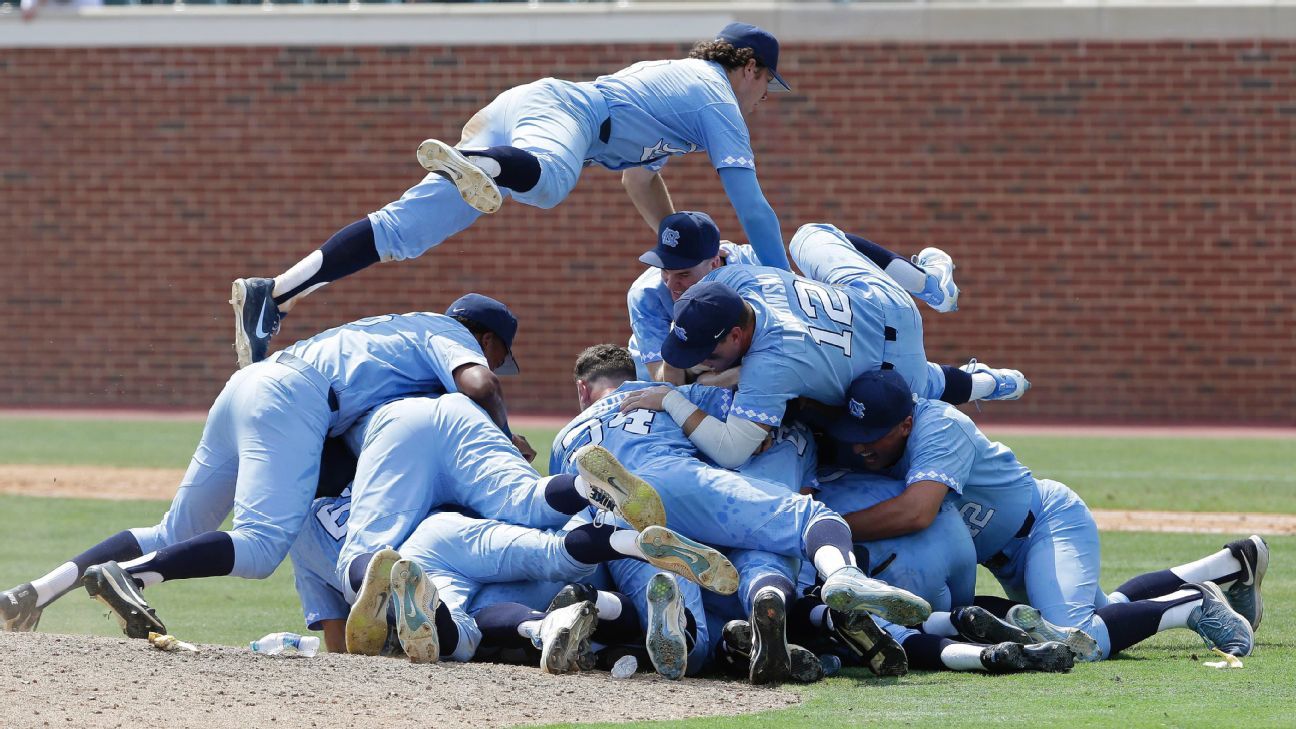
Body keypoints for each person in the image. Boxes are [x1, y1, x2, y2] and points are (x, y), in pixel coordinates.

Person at [230, 22, 795, 369]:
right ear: (748, 67)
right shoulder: (713, 94)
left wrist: (681, 250)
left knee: (405, 232)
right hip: (559, 115)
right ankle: (481, 166)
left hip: (525, 116)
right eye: (769, 81)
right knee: (550, 185)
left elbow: (639, 179)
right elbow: (752, 206)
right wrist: (782, 289)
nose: (765, 96)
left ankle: (273, 294)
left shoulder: (683, 91)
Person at [0, 295, 530, 638]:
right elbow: (481, 386)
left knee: (174, 530)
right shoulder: (448, 334)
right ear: (485, 340)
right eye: (497, 353)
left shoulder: (391, 339)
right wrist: (502, 445)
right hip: (296, 399)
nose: (492, 362)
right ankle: (132, 576)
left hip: (253, 384)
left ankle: (35, 593)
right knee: (258, 547)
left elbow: (333, 466)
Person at [821, 368, 1260, 661]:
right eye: (853, 435)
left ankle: (1191, 605)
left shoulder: (939, 425)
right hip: (1005, 554)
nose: (860, 447)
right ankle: (1232, 563)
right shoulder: (883, 435)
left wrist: (825, 532)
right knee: (1107, 612)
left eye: (871, 436)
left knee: (1075, 637)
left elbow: (917, 513)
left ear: (904, 424)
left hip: (1045, 523)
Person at [553, 344, 933, 632]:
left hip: (617, 523)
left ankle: (635, 618)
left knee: (688, 627)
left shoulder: (563, 438)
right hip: (681, 479)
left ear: (583, 390)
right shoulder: (659, 392)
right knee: (810, 519)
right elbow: (743, 421)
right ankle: (841, 577)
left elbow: (562, 503)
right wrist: (753, 428)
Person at [619, 256, 1024, 469]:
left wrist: (671, 400)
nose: (702, 363)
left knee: (925, 386)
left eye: (708, 352)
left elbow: (732, 451)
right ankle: (928, 285)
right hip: (886, 306)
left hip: (886, 368)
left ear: (738, 335)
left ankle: (987, 383)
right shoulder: (737, 281)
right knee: (812, 235)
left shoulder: (771, 364)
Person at [628, 212, 961, 385]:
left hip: (762, 363)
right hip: (696, 372)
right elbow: (666, 379)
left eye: (683, 274)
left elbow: (795, 344)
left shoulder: (756, 266)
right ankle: (988, 381)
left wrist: (723, 375)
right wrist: (696, 366)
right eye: (664, 270)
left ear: (716, 261)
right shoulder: (646, 294)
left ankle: (930, 286)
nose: (671, 284)